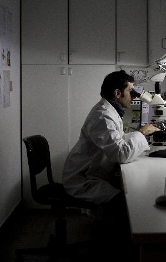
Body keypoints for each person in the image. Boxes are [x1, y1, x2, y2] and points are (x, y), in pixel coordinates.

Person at [63, 70, 159, 209]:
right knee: (124, 202)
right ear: (117, 93)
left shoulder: (110, 111)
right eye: (131, 91)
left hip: (93, 172)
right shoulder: (103, 116)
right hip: (82, 179)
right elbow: (120, 153)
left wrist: (140, 134)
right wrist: (142, 132)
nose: (134, 96)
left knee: (129, 188)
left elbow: (117, 141)